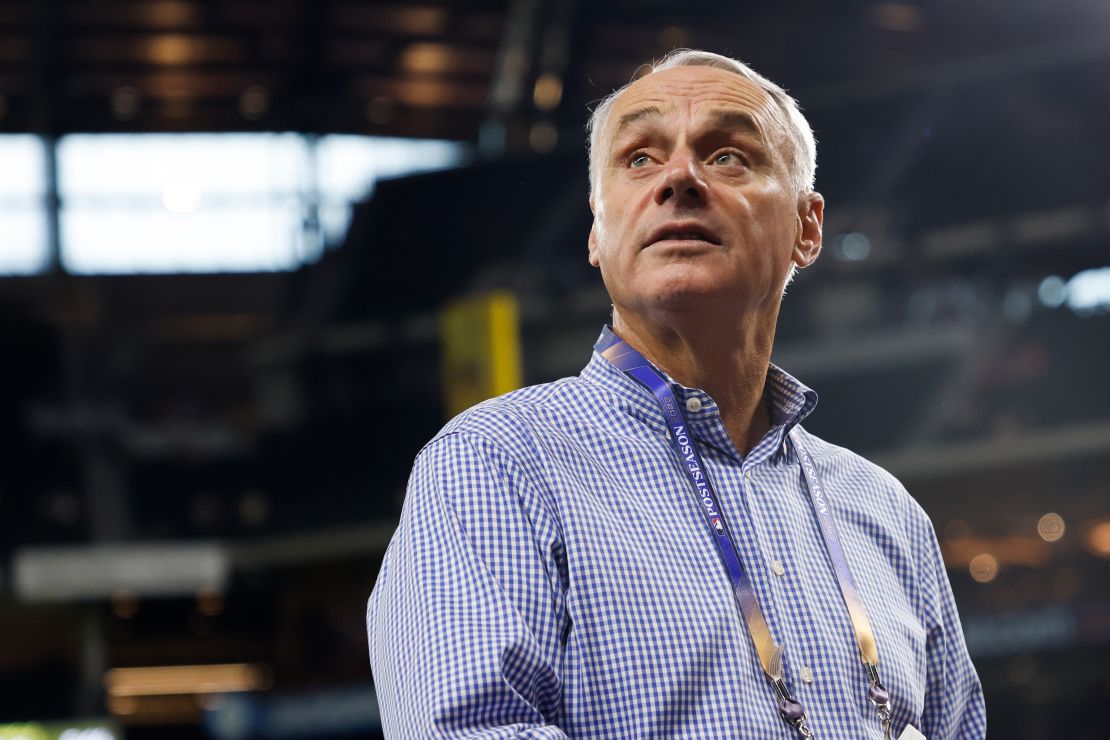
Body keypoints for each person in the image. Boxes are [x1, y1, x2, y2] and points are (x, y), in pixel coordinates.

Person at [367, 49, 986, 738]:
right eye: (639, 158)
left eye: (727, 155)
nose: (680, 179)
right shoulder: (495, 465)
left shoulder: (887, 513)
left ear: (807, 229)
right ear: (598, 234)